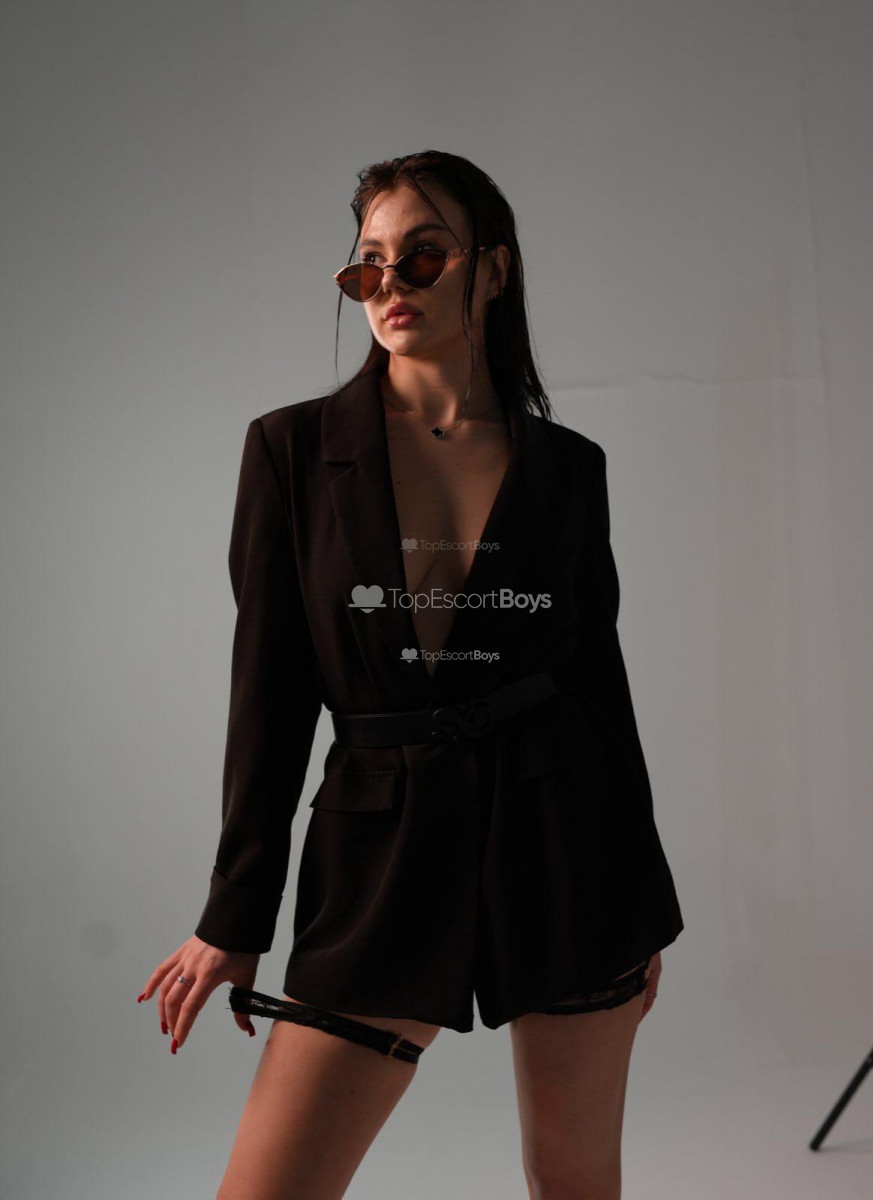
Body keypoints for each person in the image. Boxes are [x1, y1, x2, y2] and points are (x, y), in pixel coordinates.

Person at [137, 149, 684, 1199]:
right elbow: (268, 698)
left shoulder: (568, 468)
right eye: (368, 265)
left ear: (493, 270)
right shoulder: (291, 452)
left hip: (568, 846)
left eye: (424, 255)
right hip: (380, 849)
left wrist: (640, 897)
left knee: (576, 1184)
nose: (390, 283)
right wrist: (234, 916)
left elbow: (597, 683)